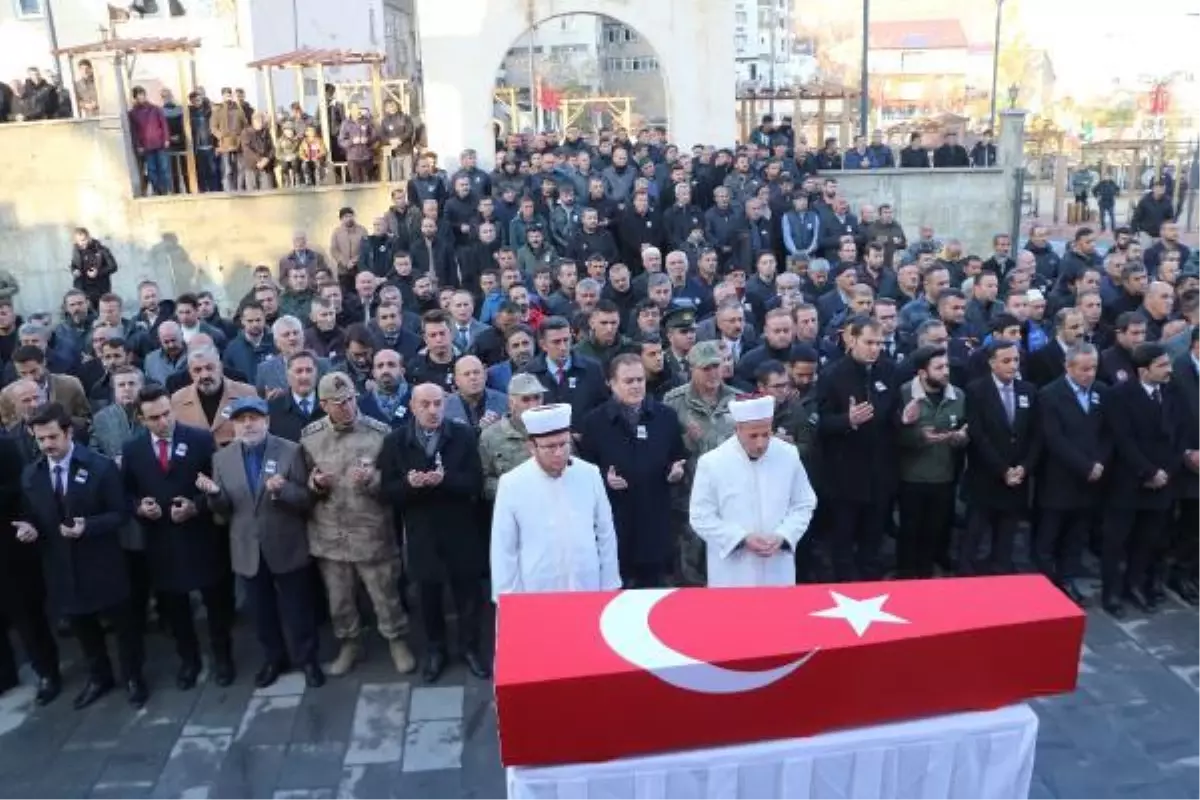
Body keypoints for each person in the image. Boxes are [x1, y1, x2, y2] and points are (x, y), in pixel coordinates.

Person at [16, 403, 146, 708]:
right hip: (61, 567)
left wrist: (89, 526)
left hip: (103, 563)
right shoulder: (32, 475)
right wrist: (29, 528)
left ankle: (133, 676)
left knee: (124, 628)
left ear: (68, 432)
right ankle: (99, 676)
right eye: (41, 439)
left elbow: (121, 513)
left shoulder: (100, 467)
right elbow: (33, 515)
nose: (47, 445)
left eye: (52, 437)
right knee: (83, 629)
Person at [198, 396, 324, 689]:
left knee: (298, 610)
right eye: (241, 420)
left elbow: (307, 500)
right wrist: (214, 494)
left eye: (254, 418)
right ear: (233, 425)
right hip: (247, 549)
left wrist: (283, 492)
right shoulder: (221, 459)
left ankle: (308, 660)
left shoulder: (291, 451)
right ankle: (273, 659)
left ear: (266, 421)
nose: (248, 424)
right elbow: (223, 511)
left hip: (286, 544)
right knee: (261, 612)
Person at [301, 371, 416, 676]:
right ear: (324, 404)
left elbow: (395, 483)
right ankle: (349, 643)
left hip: (371, 531)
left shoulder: (379, 433)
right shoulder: (310, 437)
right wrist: (315, 484)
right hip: (330, 533)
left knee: (385, 594)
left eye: (351, 399)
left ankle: (396, 640)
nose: (347, 407)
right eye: (338, 403)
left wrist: (372, 480)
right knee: (339, 599)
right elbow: (303, 482)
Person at [123, 384, 234, 690]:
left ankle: (223, 658)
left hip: (201, 537)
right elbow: (127, 493)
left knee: (215, 604)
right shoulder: (133, 450)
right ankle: (189, 661)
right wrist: (139, 508)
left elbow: (216, 483)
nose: (163, 421)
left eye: (166, 413)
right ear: (142, 419)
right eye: (154, 417)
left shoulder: (198, 438)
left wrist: (195, 507)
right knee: (176, 608)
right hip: (161, 542)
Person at [379, 384, 490, 682]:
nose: (432, 410)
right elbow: (387, 492)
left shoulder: (463, 435)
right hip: (421, 534)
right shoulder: (395, 442)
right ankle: (436, 650)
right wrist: (409, 485)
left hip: (460, 531)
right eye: (425, 404)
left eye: (438, 403)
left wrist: (445, 480)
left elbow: (475, 483)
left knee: (467, 595)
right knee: (428, 598)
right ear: (413, 407)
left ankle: (470, 649)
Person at [577, 354, 688, 588]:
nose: (636, 386)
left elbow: (678, 456)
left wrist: (676, 471)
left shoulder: (665, 417)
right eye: (628, 381)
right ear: (611, 383)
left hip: (655, 523)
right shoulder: (594, 422)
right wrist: (604, 479)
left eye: (640, 379)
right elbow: (585, 469)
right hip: (616, 524)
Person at [490, 403, 620, 597]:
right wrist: (508, 599)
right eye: (550, 447)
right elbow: (504, 548)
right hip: (537, 591)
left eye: (564, 444)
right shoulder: (512, 484)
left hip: (587, 587)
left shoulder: (589, 474)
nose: (559, 452)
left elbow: (605, 533)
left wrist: (610, 585)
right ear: (531, 447)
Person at [690, 394, 817, 587]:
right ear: (737, 429)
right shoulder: (712, 463)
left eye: (766, 434)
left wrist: (784, 535)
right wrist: (740, 539)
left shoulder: (788, 455)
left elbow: (804, 503)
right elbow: (700, 516)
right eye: (753, 436)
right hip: (732, 572)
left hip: (778, 568)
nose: (761, 443)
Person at [1101, 343, 1181, 617]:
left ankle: (1135, 585)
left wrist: (1166, 472)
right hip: (1128, 482)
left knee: (1148, 539)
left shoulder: (1171, 393)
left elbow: (1177, 436)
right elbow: (1124, 441)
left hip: (1163, 482)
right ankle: (1111, 592)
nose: (1169, 370)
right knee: (1117, 540)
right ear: (1143, 371)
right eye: (1162, 366)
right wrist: (1148, 472)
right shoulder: (1119, 396)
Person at [1036, 344, 1109, 605]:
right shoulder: (1050, 394)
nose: (1090, 374)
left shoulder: (1101, 392)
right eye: (1084, 369)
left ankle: (1068, 579)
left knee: (1076, 535)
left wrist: (1099, 462)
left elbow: (1106, 433)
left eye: (1094, 368)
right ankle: (1045, 585)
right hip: (1060, 479)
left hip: (1091, 479)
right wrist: (1084, 465)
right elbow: (1054, 438)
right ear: (1068, 367)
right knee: (1049, 536)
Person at [961, 339, 1040, 576]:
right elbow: (978, 435)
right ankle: (966, 574)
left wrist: (1024, 468)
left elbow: (1036, 435)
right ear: (992, 363)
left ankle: (1001, 570)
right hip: (986, 474)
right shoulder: (976, 390)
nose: (1013, 365)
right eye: (1006, 361)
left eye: (1016, 360)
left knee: (1007, 532)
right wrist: (1002, 469)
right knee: (975, 530)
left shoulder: (1028, 390)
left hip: (1017, 476)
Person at [895, 347, 968, 579]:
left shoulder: (958, 396)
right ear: (922, 373)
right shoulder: (905, 393)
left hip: (944, 477)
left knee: (934, 532)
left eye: (946, 366)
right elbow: (893, 435)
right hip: (911, 477)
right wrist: (918, 436)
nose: (946, 372)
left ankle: (927, 577)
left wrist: (960, 438)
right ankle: (906, 576)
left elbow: (965, 429)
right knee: (909, 532)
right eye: (939, 368)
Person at [479, 374, 545, 501]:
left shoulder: (555, 429)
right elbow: (484, 479)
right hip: (512, 507)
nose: (533, 405)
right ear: (511, 402)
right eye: (525, 399)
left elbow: (572, 467)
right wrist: (513, 489)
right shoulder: (491, 436)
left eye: (537, 398)